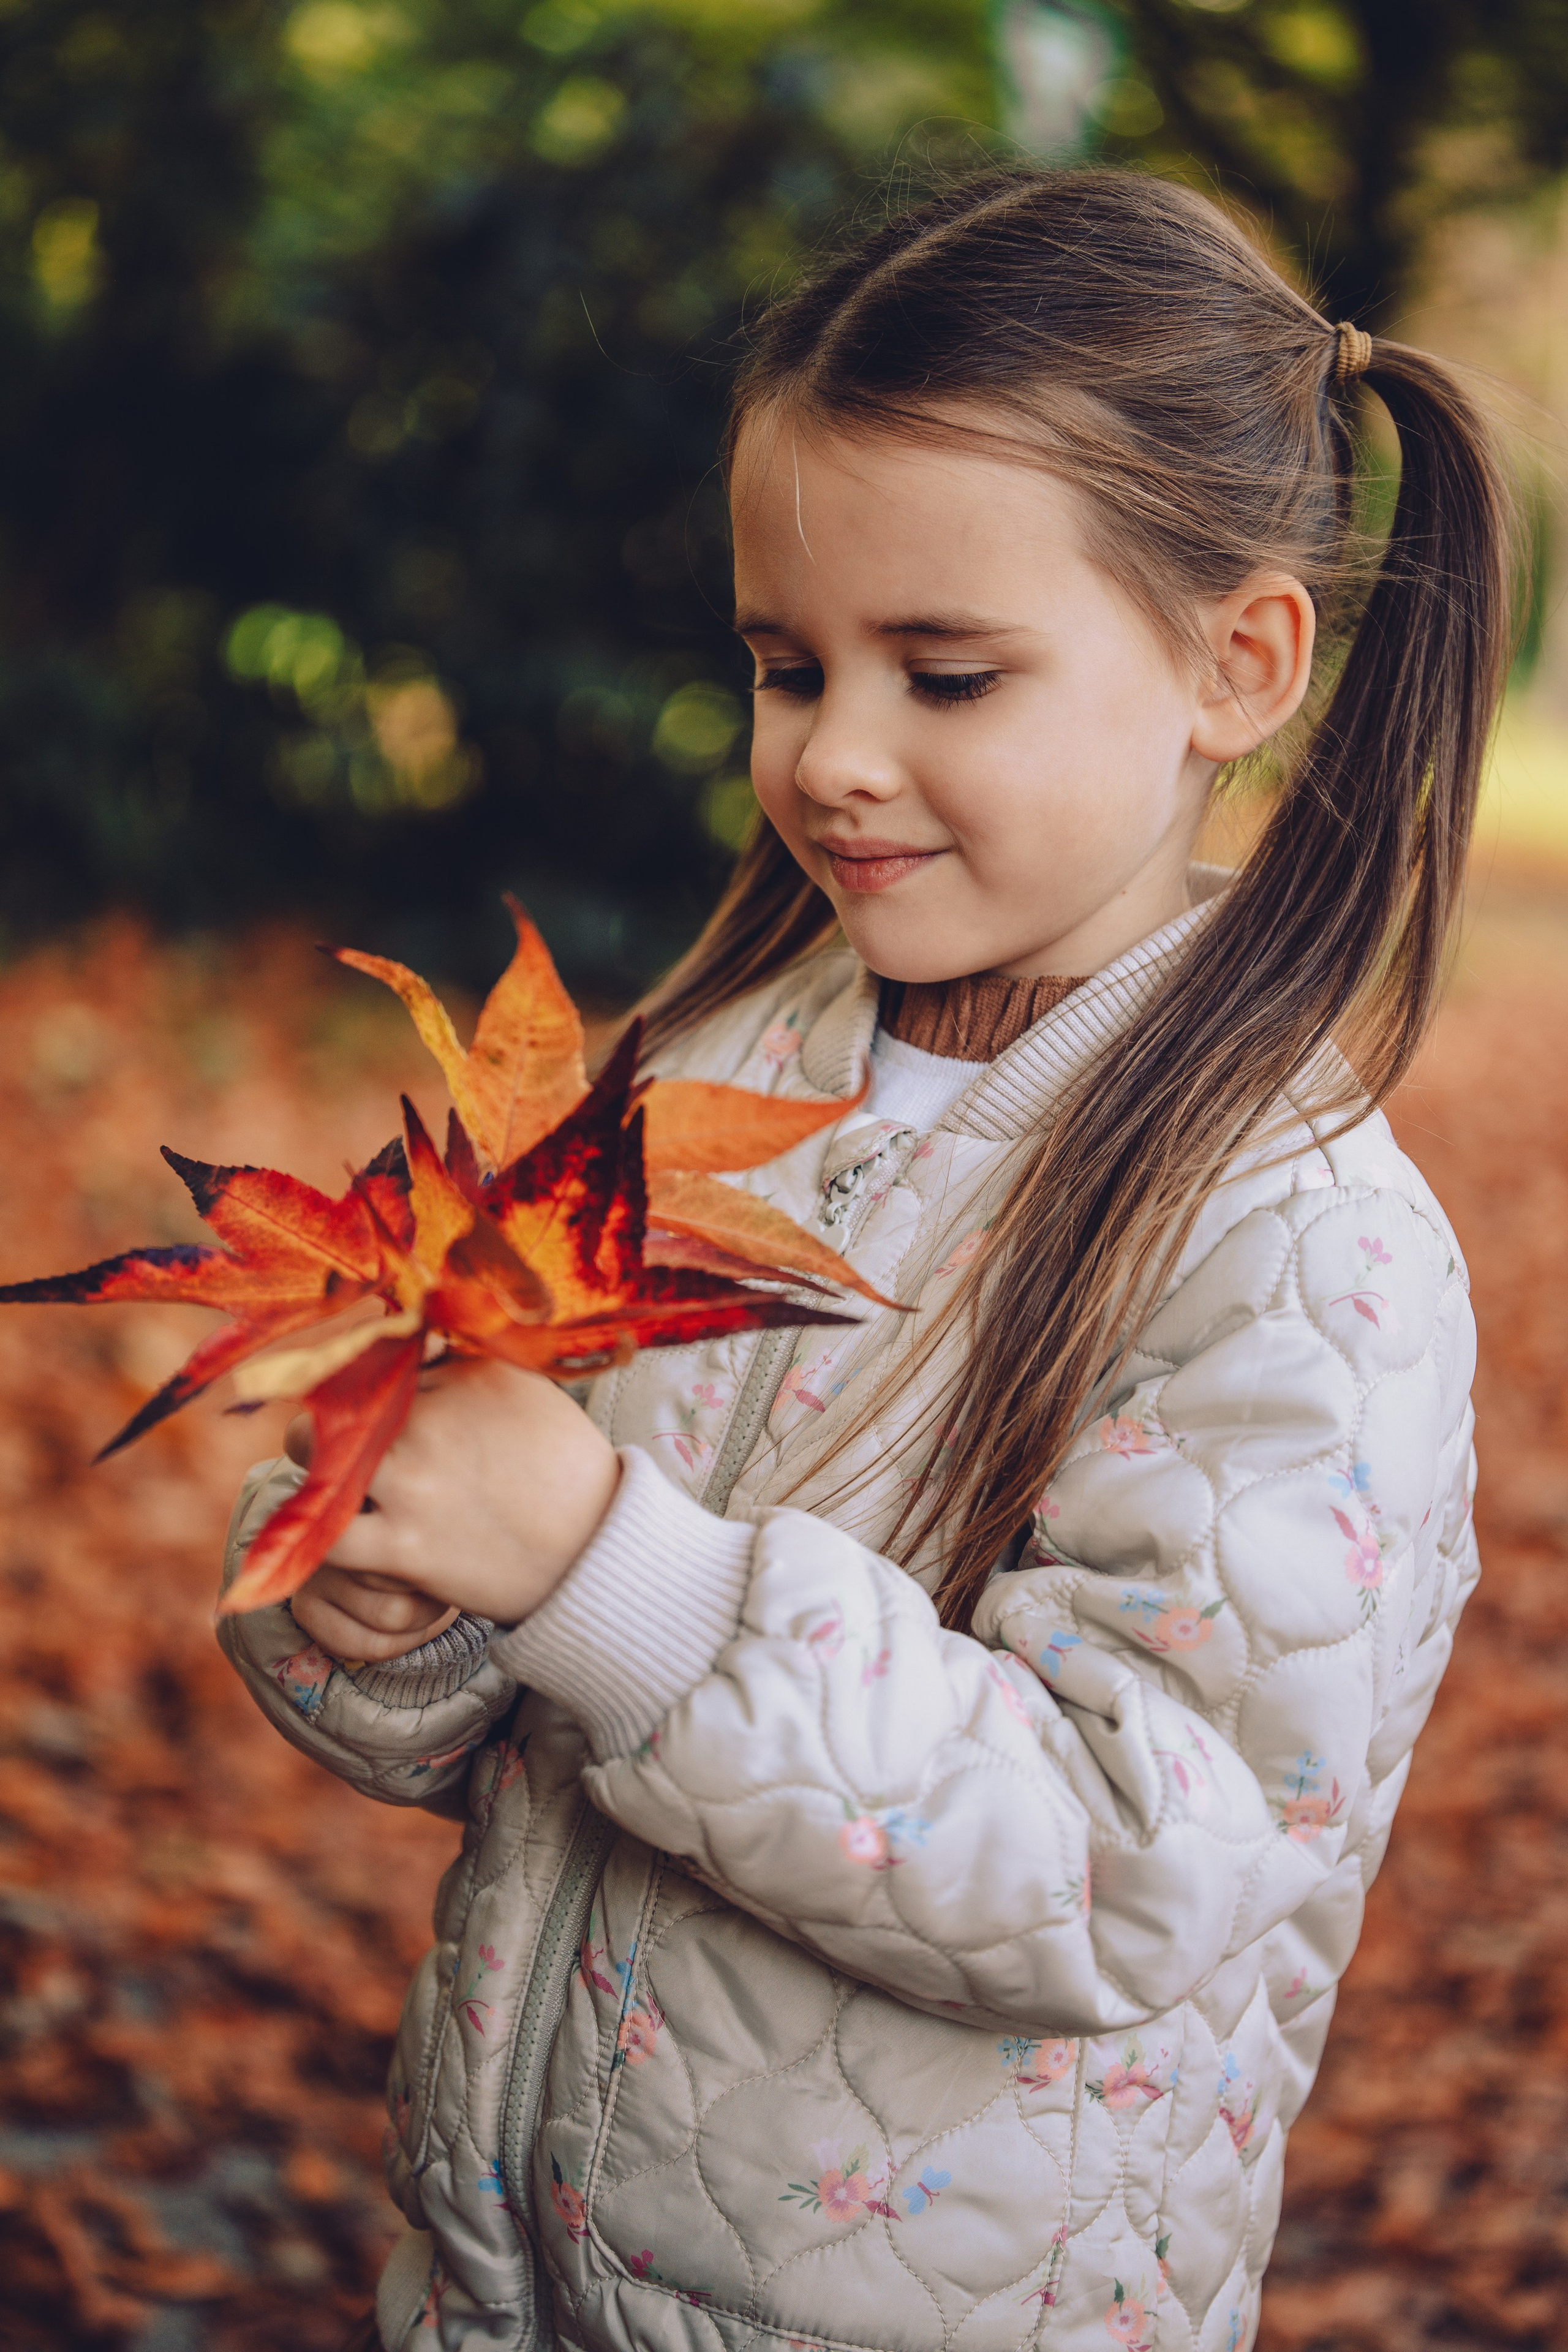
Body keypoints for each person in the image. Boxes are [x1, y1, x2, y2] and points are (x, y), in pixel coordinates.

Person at [220, 168, 1509, 2352]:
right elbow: (493, 1668)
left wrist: (606, 1566)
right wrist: (393, 1609)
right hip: (508, 2274)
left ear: (1238, 664)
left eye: (949, 673)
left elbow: (1126, 1862)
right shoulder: (721, 1079)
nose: (832, 756)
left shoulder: (1302, 1257)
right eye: (787, 664)